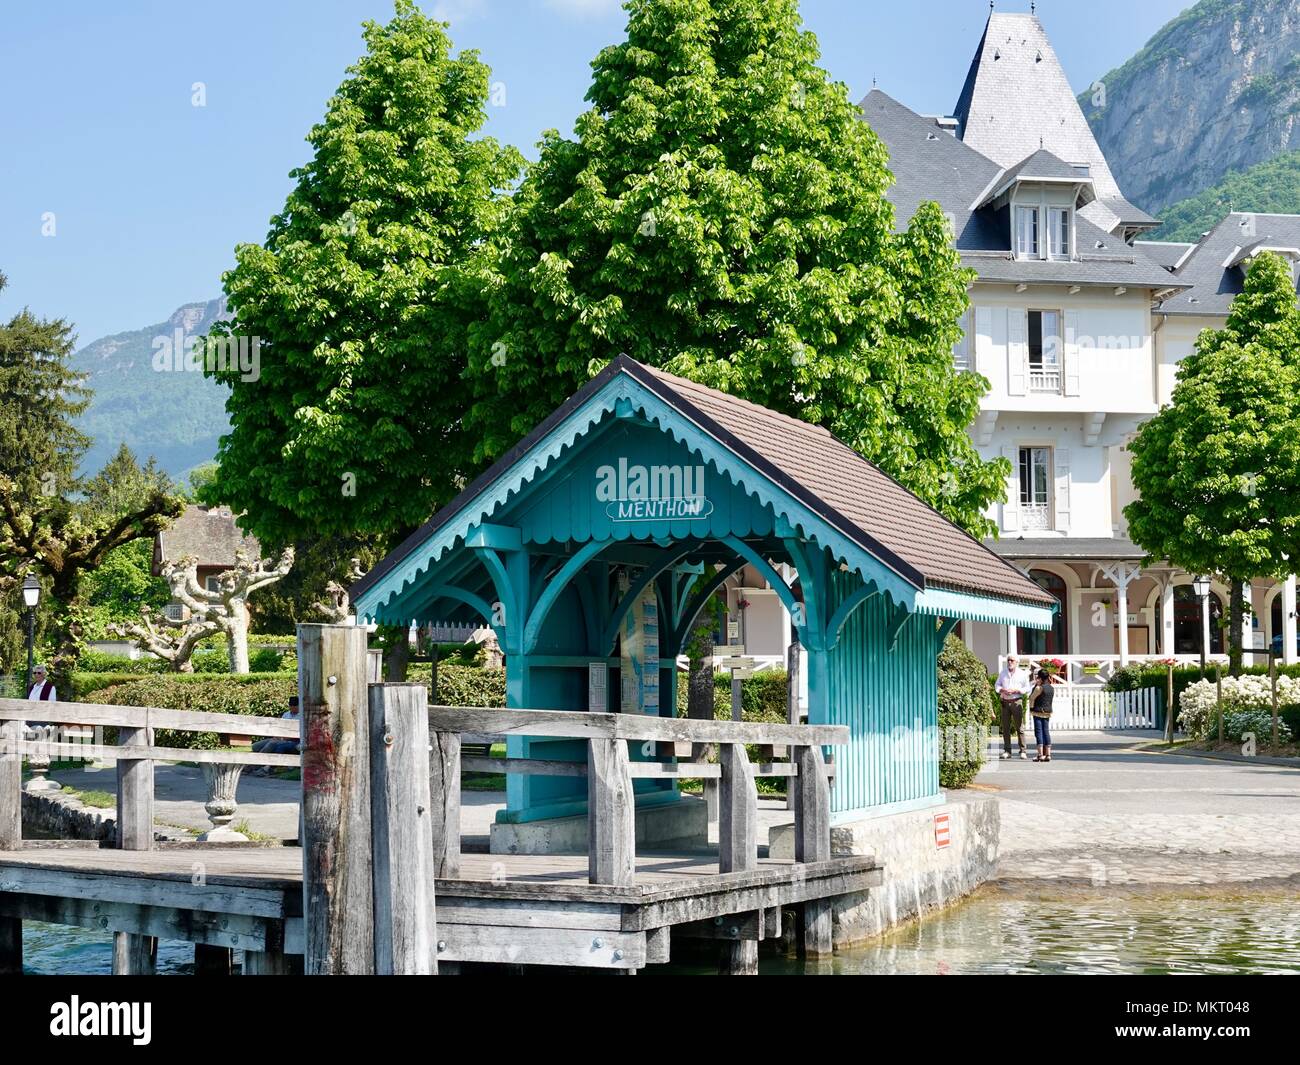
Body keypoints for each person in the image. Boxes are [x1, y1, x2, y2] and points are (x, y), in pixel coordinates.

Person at [995, 654, 1030, 760]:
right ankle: (1007, 751)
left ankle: (1023, 751)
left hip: (1016, 701)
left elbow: (1027, 687)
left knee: (1019, 727)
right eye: (1008, 660)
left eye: (1012, 660)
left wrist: (1017, 690)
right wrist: (1002, 690)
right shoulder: (1003, 673)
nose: (1010, 662)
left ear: (1017, 662)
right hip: (1005, 702)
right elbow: (997, 685)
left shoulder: (1022, 674)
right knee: (1005, 728)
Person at [1030, 668, 1055, 762]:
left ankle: (1040, 754)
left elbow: (1032, 698)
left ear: (1040, 677)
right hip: (1048, 712)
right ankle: (1048, 754)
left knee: (1038, 732)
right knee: (1046, 732)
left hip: (1038, 711)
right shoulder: (1051, 688)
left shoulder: (1039, 688)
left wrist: (1036, 685)